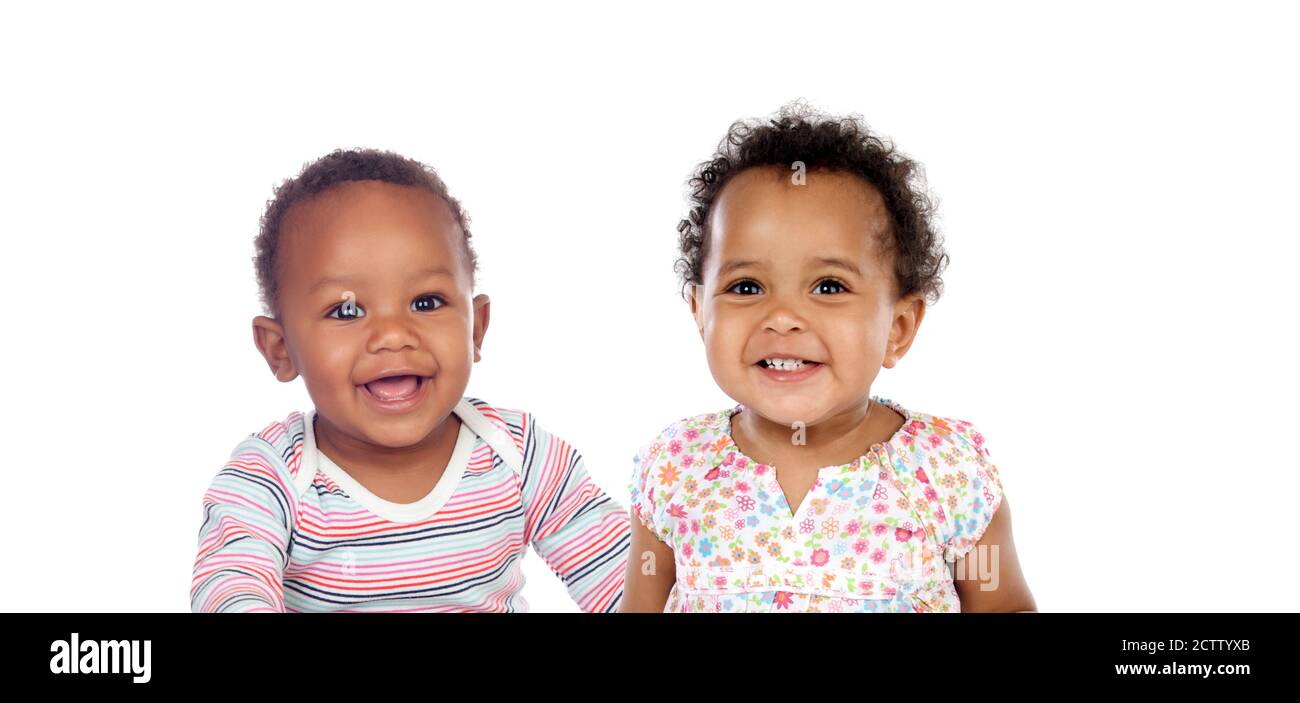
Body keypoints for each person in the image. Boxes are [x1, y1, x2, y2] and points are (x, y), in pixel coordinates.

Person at [621, 104, 1036, 612]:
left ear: (898, 328)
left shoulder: (946, 473)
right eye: (746, 286)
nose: (783, 317)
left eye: (829, 286)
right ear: (699, 312)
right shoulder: (676, 468)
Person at [191, 149, 629, 612]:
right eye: (346, 310)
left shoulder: (519, 456)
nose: (394, 335)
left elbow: (626, 577)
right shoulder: (270, 477)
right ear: (280, 349)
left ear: (475, 328)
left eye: (426, 302)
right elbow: (230, 589)